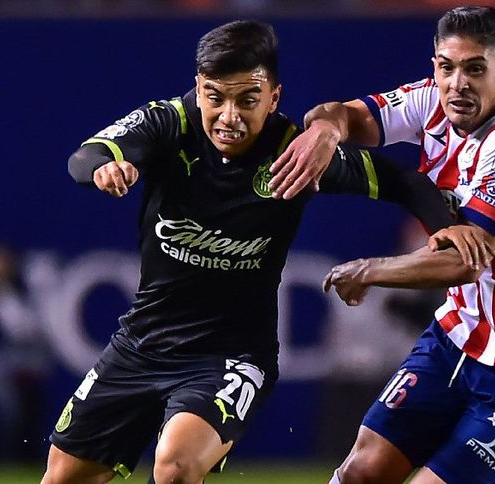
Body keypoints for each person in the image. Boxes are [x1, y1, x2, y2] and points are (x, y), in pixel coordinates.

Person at [41, 20, 455, 484]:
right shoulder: (169, 123)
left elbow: (406, 182)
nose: (229, 116)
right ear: (198, 89)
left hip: (232, 356)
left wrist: (451, 233)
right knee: (61, 478)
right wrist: (105, 168)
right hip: (140, 344)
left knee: (174, 465)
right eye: (215, 98)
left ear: (274, 97)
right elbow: (86, 156)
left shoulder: (296, 151)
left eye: (247, 100)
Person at [271, 6, 495, 483]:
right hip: (455, 334)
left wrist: (370, 271)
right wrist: (324, 130)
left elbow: (464, 262)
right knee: (360, 473)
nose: (458, 83)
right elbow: (344, 114)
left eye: (475, 69)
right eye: (447, 67)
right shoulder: (433, 100)